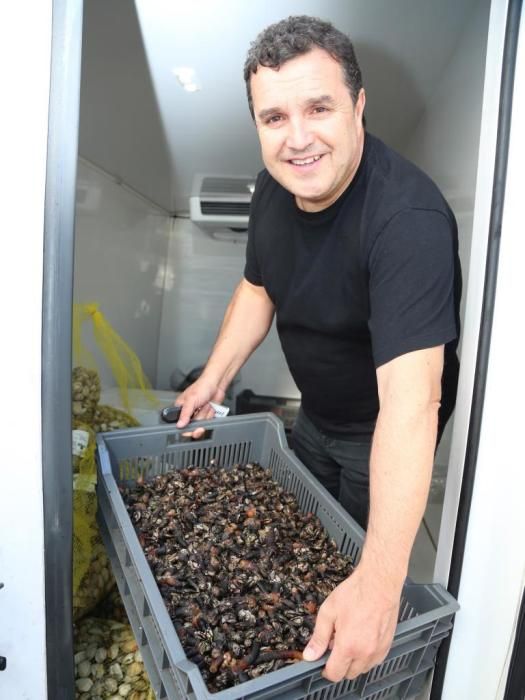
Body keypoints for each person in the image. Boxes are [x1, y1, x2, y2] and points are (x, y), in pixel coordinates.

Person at [175, 15, 461, 685]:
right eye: (273, 118)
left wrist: (382, 582)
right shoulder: (276, 186)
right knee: (294, 545)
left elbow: (412, 403)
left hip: (378, 435)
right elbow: (256, 289)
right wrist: (211, 381)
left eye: (318, 108)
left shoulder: (405, 221)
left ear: (358, 106)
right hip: (312, 416)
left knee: (354, 576)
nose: (297, 138)